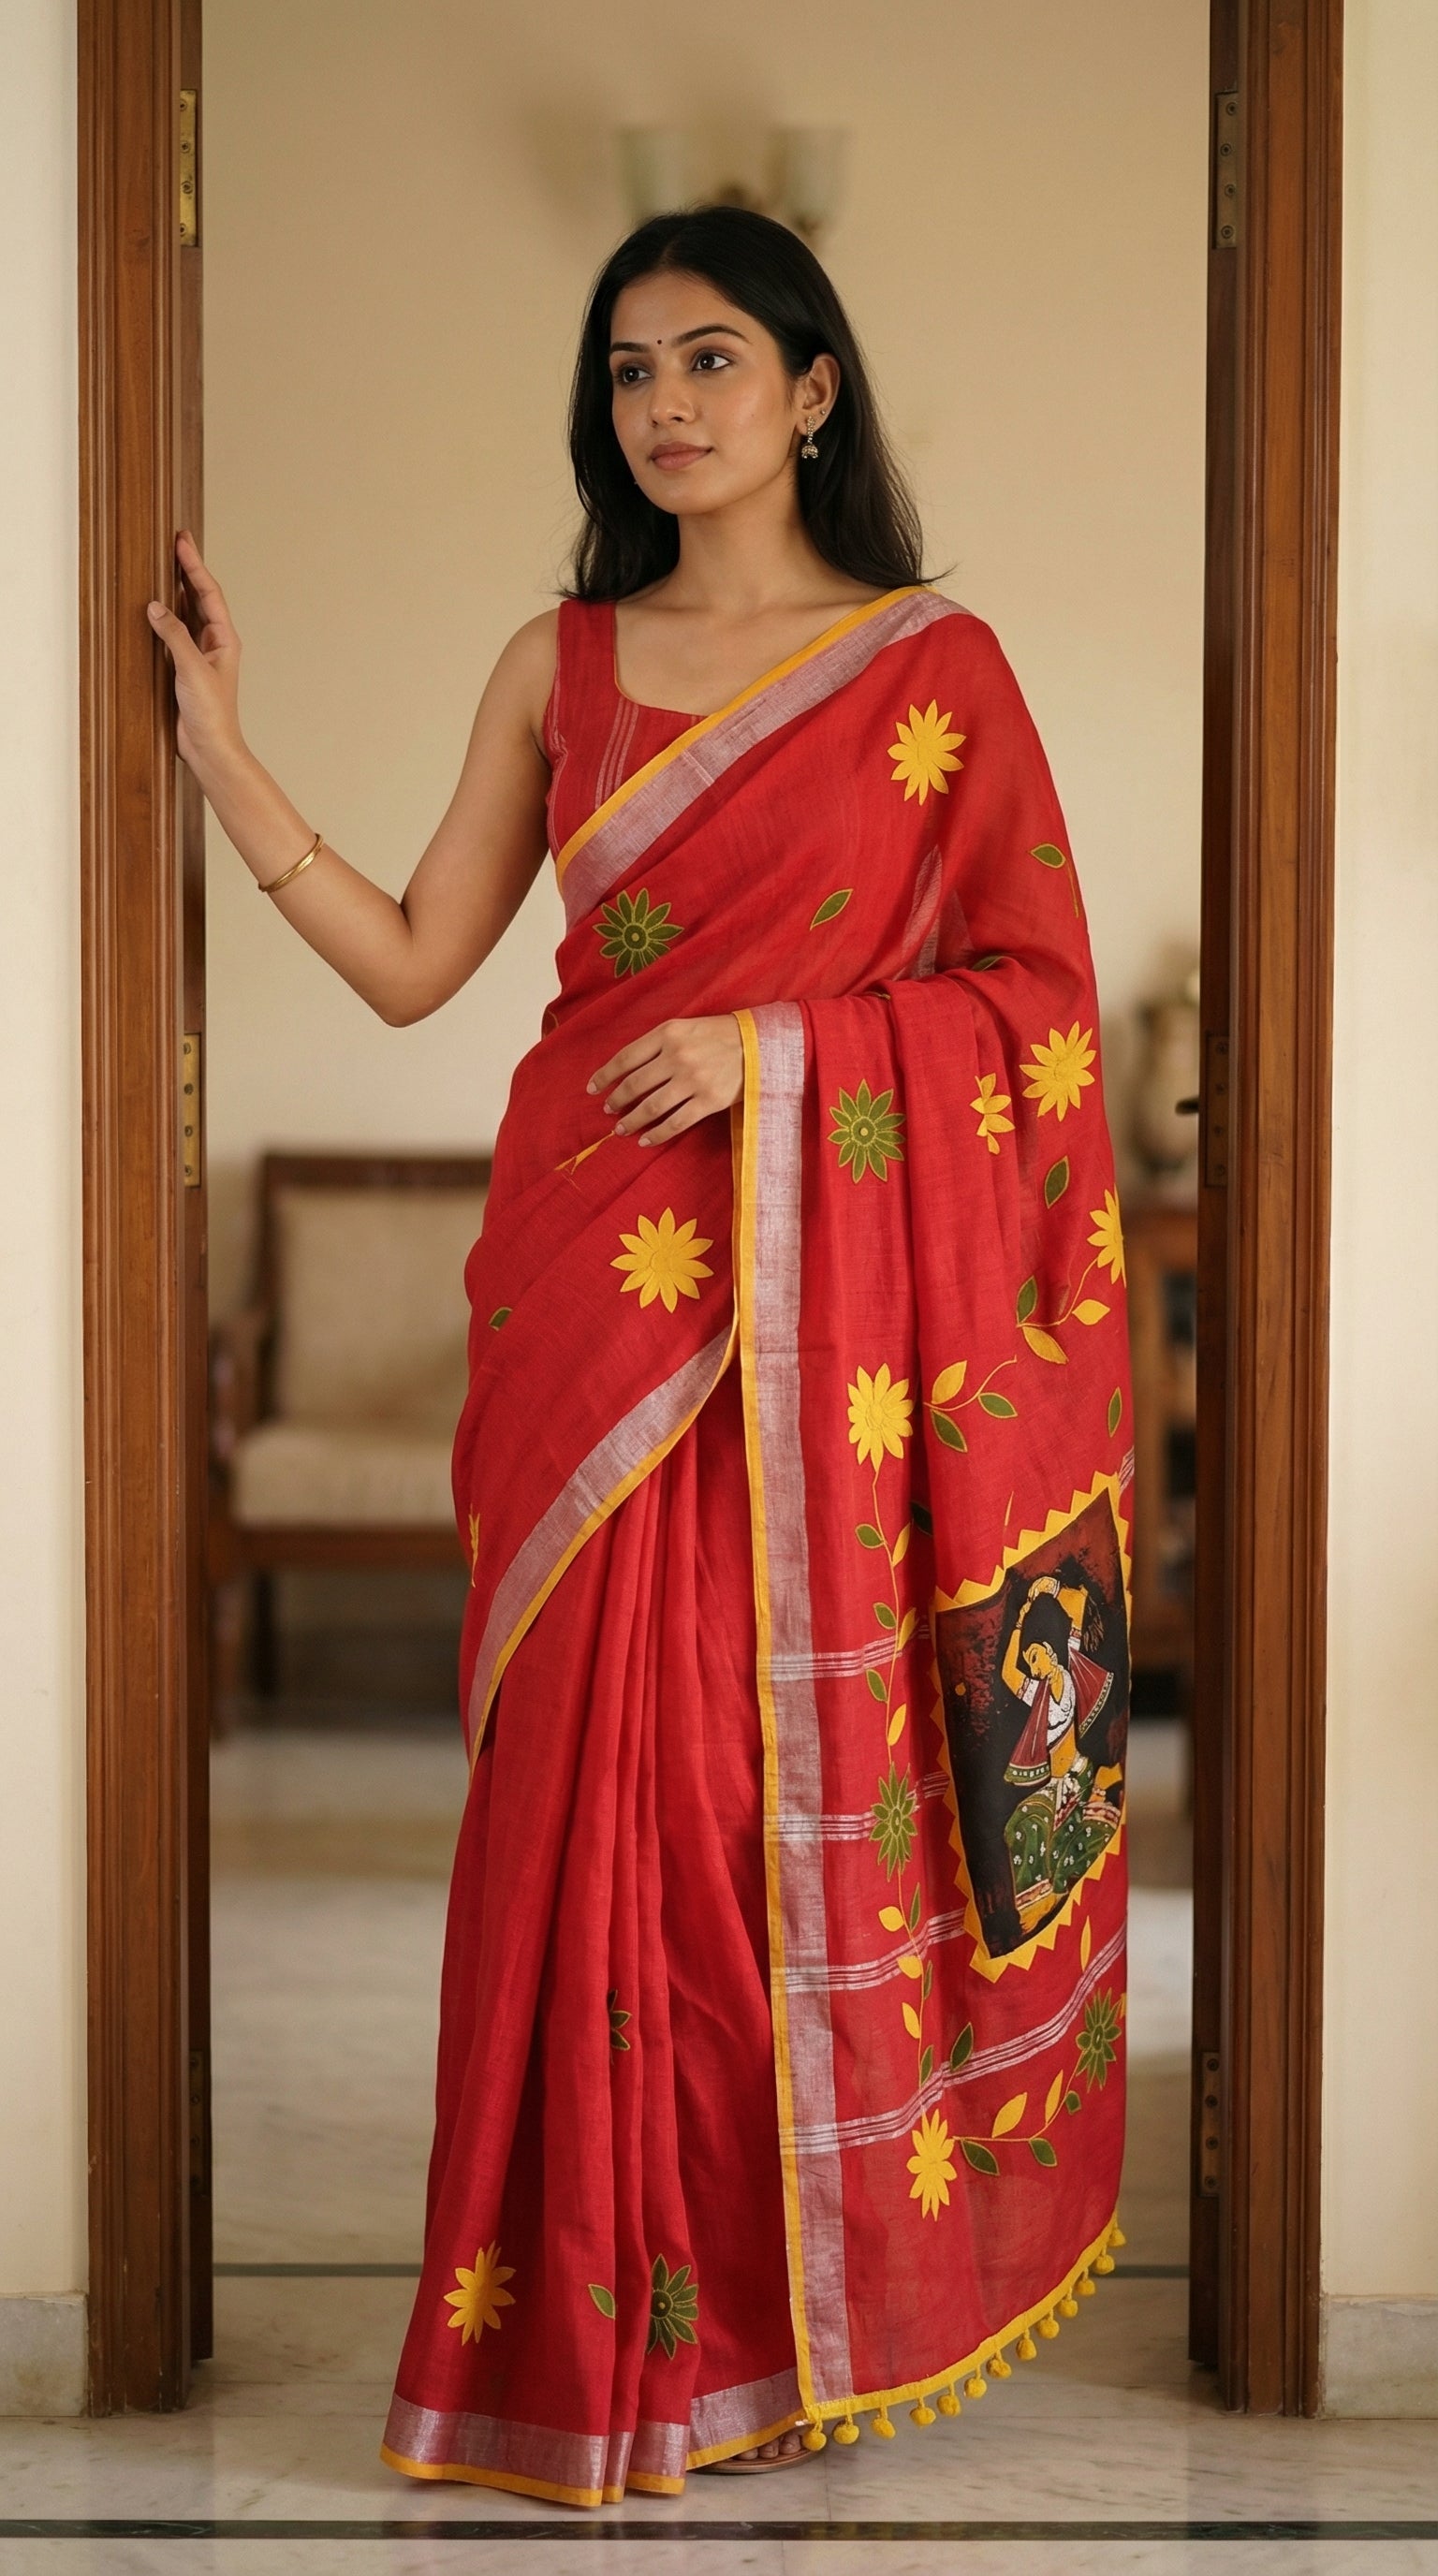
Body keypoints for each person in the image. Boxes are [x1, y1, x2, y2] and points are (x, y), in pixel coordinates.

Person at [150, 203, 1133, 2511]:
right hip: (592, 1303)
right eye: (626, 372)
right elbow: (413, 960)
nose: (664, 405)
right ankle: (567, 2341)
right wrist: (222, 752)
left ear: (812, 389)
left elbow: (1043, 1020)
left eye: (710, 359)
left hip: (805, 1347)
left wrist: (779, 1050)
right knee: (570, 1823)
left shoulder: (935, 674)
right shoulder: (557, 661)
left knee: (720, 1818)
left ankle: (772, 2330)